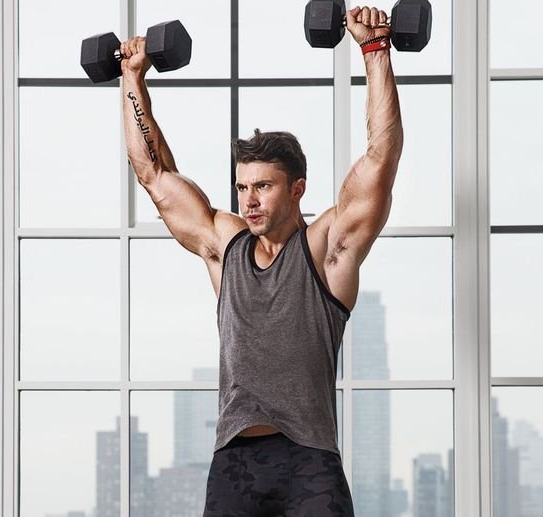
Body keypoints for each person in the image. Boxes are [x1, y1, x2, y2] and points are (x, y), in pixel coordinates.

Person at [120, 5, 403, 516]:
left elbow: (381, 161)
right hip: (234, 464)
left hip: (309, 460)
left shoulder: (325, 251)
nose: (249, 200)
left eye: (264, 187)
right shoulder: (224, 248)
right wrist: (132, 78)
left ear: (296, 190)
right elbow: (155, 175)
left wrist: (375, 50)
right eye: (242, 187)